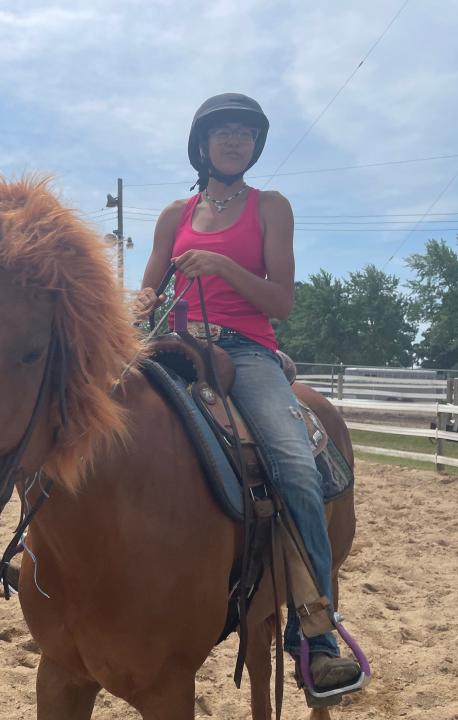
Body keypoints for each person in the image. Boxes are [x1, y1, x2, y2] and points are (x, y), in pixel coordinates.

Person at [134, 93, 362, 694]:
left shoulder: (271, 207)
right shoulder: (171, 215)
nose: (234, 141)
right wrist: (140, 301)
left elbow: (281, 301)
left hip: (246, 351)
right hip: (174, 344)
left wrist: (224, 268)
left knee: (294, 464)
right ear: (202, 144)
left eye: (244, 133)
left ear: (255, 146)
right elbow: (150, 285)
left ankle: (315, 632)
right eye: (223, 132)